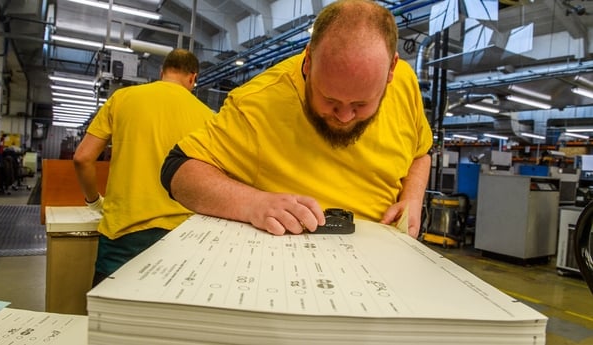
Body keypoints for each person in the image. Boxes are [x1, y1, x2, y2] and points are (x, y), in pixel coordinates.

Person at [161, 0, 432, 238]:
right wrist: (253, 204)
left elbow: (420, 154)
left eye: (361, 103)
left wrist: (411, 199)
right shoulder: (259, 104)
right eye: (330, 100)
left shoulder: (405, 82)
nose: (345, 116)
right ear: (308, 61)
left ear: (391, 70)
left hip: (381, 259)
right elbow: (178, 171)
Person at [74, 48, 214, 286]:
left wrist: (94, 201)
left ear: (162, 72)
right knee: (161, 317)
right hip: (184, 234)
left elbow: (83, 158)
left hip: (124, 230)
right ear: (193, 78)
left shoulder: (122, 98)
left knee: (107, 313)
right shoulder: (209, 116)